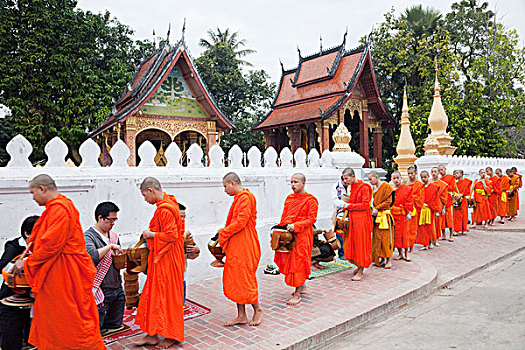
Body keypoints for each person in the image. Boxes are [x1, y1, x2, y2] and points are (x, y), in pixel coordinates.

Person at [11, 174, 105, 349]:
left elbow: (50, 244)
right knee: (58, 318)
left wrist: (27, 262)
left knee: (69, 319)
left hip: (65, 274)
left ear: (42, 189)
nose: (33, 197)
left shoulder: (60, 209)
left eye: (33, 192)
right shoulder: (58, 207)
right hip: (59, 270)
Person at [134, 177, 185, 348]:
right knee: (154, 294)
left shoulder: (165, 209)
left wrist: (150, 235)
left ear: (151, 191)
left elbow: (172, 236)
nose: (145, 200)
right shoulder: (169, 201)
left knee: (168, 295)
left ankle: (171, 335)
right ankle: (152, 333)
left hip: (168, 258)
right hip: (163, 257)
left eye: (144, 196)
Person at [218, 172, 263, 325]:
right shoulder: (239, 198)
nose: (225, 190)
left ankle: (257, 309)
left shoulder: (245, 198)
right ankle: (241, 315)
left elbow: (240, 223)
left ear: (232, 183)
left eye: (225, 186)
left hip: (245, 243)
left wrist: (223, 232)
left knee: (245, 278)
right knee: (236, 279)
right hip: (236, 243)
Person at [274, 173, 318, 305]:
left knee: (298, 263)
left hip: (302, 235)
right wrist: (281, 229)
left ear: (303, 183)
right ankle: (301, 284)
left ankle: (297, 293)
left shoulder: (311, 200)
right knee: (288, 260)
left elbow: (311, 220)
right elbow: (285, 215)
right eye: (291, 182)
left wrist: (296, 226)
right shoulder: (289, 199)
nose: (293, 185)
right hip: (288, 235)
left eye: (296, 182)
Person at [84, 201, 125, 334]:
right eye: (110, 220)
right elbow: (91, 256)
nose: (113, 223)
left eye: (115, 220)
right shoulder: (88, 236)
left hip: (117, 287)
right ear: (100, 218)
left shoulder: (113, 236)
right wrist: (110, 247)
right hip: (100, 289)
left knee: (115, 326)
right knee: (96, 330)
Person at [0, 216, 38, 350]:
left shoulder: (43, 249)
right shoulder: (14, 246)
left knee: (32, 341)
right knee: (11, 341)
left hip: (33, 302)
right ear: (27, 233)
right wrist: (22, 263)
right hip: (11, 301)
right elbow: (3, 267)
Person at [340, 168, 373, 281]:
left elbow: (365, 205)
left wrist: (348, 206)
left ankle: (361, 270)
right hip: (353, 219)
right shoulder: (352, 187)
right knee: (352, 243)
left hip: (362, 220)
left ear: (353, 176)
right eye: (344, 179)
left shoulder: (364, 187)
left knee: (361, 244)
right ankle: (358, 265)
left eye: (346, 178)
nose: (345, 181)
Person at [368, 171, 395, 269]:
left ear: (376, 177)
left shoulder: (386, 186)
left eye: (371, 179)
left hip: (385, 217)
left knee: (386, 238)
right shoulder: (373, 188)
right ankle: (381, 258)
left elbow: (389, 202)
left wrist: (377, 208)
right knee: (377, 238)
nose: (370, 181)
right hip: (377, 217)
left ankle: (388, 260)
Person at [179, 203, 200, 308]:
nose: (182, 220)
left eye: (184, 217)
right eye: (180, 217)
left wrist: (196, 250)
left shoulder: (186, 234)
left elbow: (192, 256)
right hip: (167, 276)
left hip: (181, 274)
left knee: (179, 305)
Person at [391, 172, 414, 262]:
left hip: (403, 215)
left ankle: (406, 254)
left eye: (397, 178)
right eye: (394, 178)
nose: (396, 180)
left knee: (404, 235)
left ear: (401, 178)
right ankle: (400, 253)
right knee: (397, 236)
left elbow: (410, 201)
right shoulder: (391, 190)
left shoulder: (407, 189)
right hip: (394, 215)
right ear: (391, 179)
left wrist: (409, 213)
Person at [416, 171, 441, 251]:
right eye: (422, 177)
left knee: (429, 227)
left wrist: (437, 210)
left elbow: (436, 199)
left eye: (425, 177)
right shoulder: (420, 187)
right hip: (422, 209)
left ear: (428, 176)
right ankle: (426, 243)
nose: (423, 179)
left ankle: (428, 243)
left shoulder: (433, 187)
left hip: (430, 209)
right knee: (423, 227)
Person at [331, 175, 350, 259]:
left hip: (350, 211)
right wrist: (344, 204)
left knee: (349, 233)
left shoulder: (352, 185)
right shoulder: (336, 186)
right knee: (340, 232)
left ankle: (348, 252)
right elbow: (335, 200)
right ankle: (341, 253)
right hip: (340, 212)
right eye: (344, 180)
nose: (346, 182)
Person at [406, 166, 424, 252]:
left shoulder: (419, 185)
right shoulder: (405, 183)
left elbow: (420, 198)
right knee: (406, 229)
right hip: (406, 209)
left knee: (412, 228)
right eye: (408, 173)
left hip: (414, 208)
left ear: (415, 173)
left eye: (412, 173)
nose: (410, 175)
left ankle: (411, 246)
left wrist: (410, 197)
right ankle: (406, 246)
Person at [430, 167, 448, 246]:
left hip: (439, 204)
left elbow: (444, 197)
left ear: (438, 173)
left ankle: (436, 239)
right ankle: (430, 239)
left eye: (435, 172)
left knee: (438, 223)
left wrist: (444, 208)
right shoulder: (429, 183)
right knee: (430, 222)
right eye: (432, 172)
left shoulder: (443, 184)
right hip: (430, 204)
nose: (433, 173)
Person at [438, 165, 456, 239]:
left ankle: (451, 235)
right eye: (439, 170)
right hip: (440, 199)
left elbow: (452, 188)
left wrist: (445, 187)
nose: (441, 171)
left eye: (442, 169)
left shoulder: (450, 177)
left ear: (445, 169)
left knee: (449, 218)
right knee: (442, 218)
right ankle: (443, 235)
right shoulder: (439, 179)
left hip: (447, 198)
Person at [452, 170, 472, 235]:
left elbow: (468, 191)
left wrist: (461, 195)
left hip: (463, 200)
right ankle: (457, 230)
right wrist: (454, 195)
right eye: (454, 174)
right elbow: (452, 190)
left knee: (464, 214)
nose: (455, 175)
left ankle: (464, 229)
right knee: (456, 215)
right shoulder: (453, 183)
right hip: (456, 200)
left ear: (461, 174)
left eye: (457, 173)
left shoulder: (466, 182)